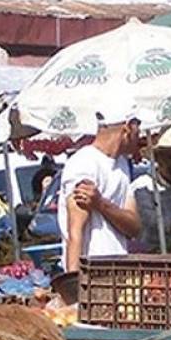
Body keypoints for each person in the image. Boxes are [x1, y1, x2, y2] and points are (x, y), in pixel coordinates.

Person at [59, 114, 142, 272]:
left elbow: (134, 227)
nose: (140, 133)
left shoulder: (122, 164)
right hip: (91, 275)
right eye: (138, 125)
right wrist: (74, 283)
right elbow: (75, 233)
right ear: (128, 127)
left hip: (119, 273)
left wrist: (101, 204)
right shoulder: (84, 163)